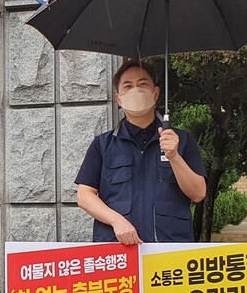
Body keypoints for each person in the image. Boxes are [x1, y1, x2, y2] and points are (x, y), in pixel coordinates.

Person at [75, 59, 207, 244]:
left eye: (143, 84)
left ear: (156, 93)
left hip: (169, 249)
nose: (136, 90)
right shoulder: (103, 144)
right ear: (119, 99)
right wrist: (116, 220)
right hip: (118, 250)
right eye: (127, 86)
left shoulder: (182, 140)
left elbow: (198, 193)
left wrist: (174, 157)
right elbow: (84, 195)